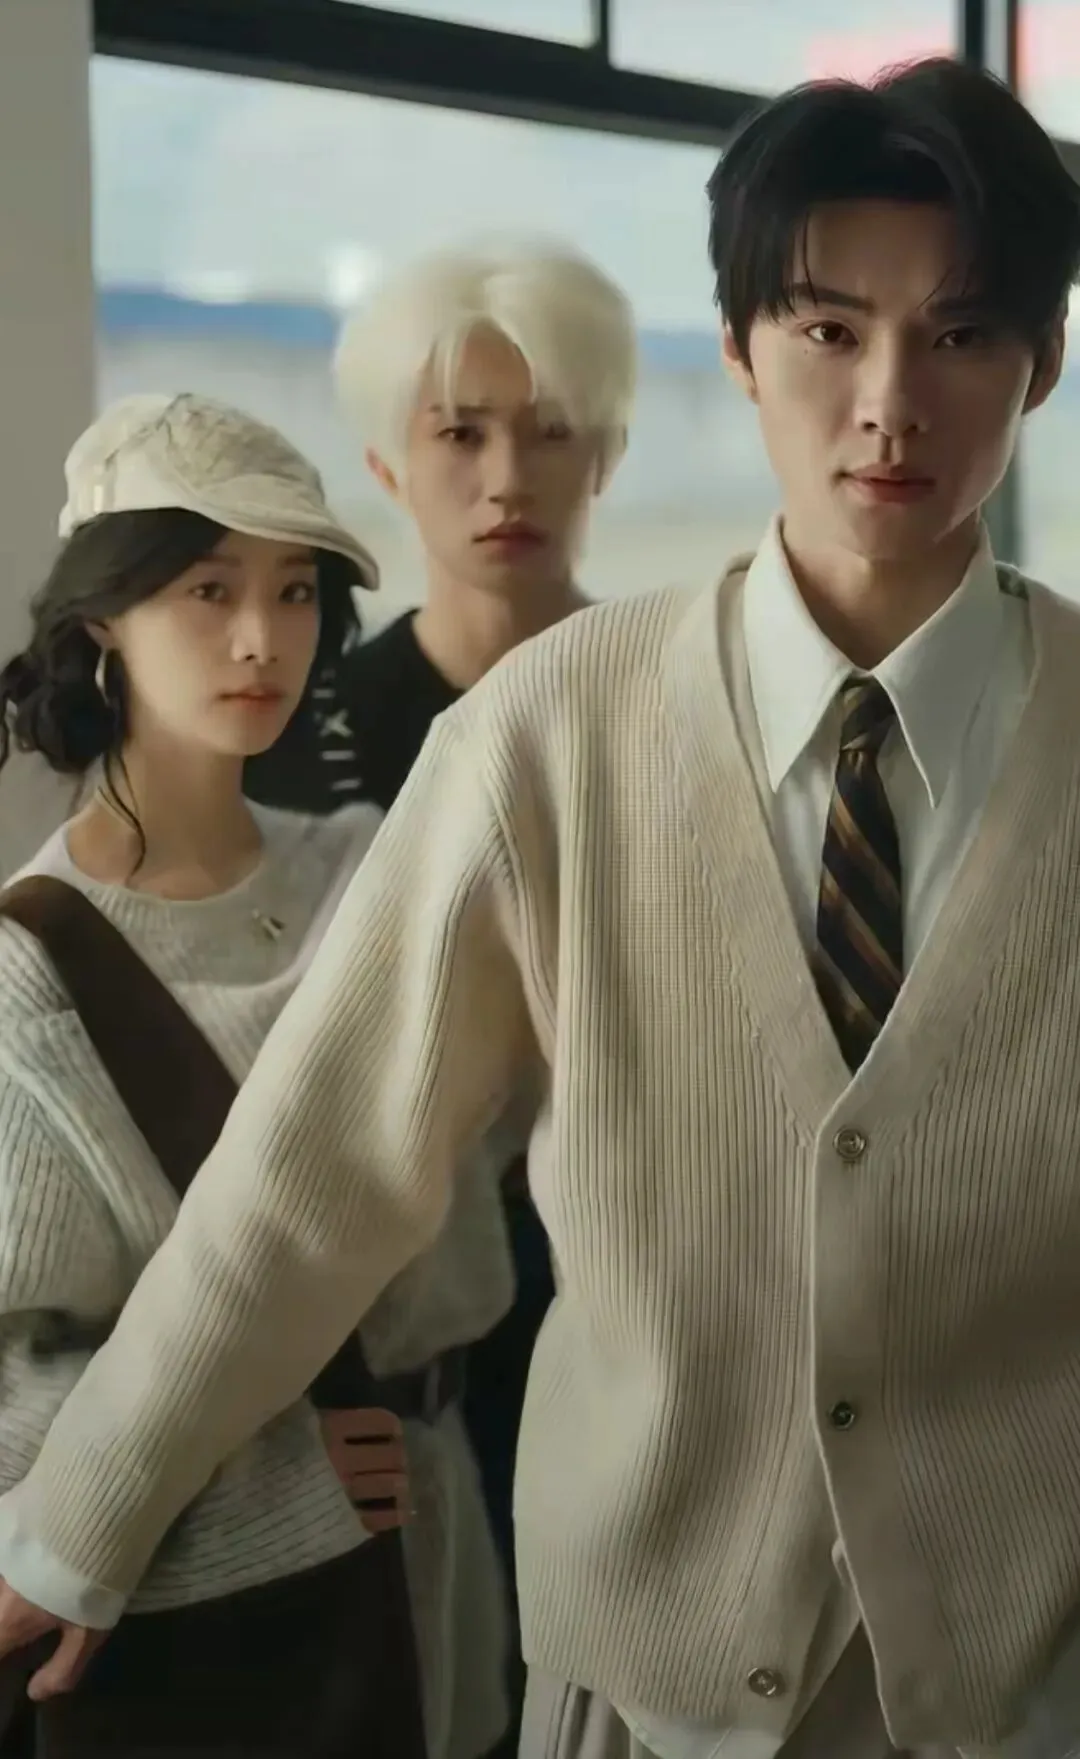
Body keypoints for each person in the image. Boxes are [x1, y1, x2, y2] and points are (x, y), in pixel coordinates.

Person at [4, 52, 1080, 1759]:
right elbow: (319, 1164)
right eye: (828, 329)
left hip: (1024, 1678)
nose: (890, 402)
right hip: (647, 1679)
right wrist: (77, 1519)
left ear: (1046, 360)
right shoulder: (550, 731)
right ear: (740, 350)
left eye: (960, 333)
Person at [0, 393, 511, 1759]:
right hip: (232, 1624)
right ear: (104, 618)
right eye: (207, 588)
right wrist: (272, 1481)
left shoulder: (375, 866)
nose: (260, 638)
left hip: (449, 1540)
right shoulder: (31, 966)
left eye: (295, 592)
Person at [244, 236, 637, 1750]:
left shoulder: (674, 702)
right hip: (397, 1322)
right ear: (386, 465)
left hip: (643, 1283)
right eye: (460, 433)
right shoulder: (305, 733)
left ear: (607, 450)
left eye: (550, 431)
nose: (506, 479)